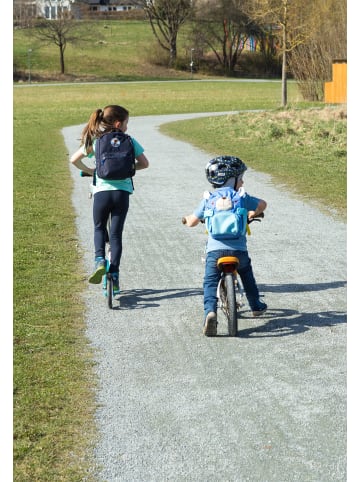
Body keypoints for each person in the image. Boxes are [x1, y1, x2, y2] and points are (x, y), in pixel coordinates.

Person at [182, 156, 267, 336]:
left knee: (210, 282)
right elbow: (263, 205)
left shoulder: (208, 198)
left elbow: (191, 222)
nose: (242, 181)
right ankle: (256, 306)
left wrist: (186, 219)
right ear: (232, 179)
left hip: (215, 251)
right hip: (239, 251)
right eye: (240, 178)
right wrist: (252, 213)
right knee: (247, 276)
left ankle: (210, 312)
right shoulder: (241, 197)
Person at [70, 105, 149, 294]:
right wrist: (128, 169)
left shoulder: (96, 141)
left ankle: (99, 260)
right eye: (127, 123)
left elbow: (74, 159)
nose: (127, 128)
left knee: (99, 227)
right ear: (119, 123)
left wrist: (91, 171)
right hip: (121, 194)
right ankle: (114, 274)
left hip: (101, 193)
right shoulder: (129, 140)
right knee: (115, 234)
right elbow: (145, 164)